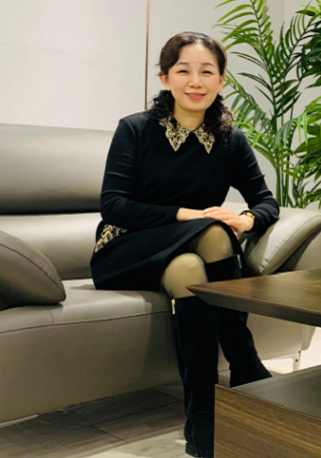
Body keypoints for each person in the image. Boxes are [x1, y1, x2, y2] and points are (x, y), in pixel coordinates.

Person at [90, 32, 278, 458]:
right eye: (184, 71)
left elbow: (266, 202)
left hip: (187, 257)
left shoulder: (230, 139)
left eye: (207, 72)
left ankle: (203, 419)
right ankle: (244, 363)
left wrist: (247, 219)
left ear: (222, 80)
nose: (196, 81)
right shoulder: (135, 129)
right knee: (212, 231)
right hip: (125, 248)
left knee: (191, 266)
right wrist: (184, 215)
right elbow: (113, 205)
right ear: (165, 78)